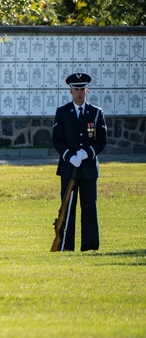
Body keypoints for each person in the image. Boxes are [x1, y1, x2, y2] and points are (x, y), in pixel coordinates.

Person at [51, 72, 108, 251]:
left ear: (87, 90)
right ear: (70, 90)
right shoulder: (62, 112)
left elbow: (101, 141)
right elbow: (57, 140)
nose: (79, 92)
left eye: (82, 89)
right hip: (69, 168)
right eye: (76, 89)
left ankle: (90, 246)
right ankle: (66, 246)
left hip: (89, 168)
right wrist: (70, 156)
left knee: (89, 207)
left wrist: (87, 153)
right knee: (67, 208)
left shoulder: (96, 113)